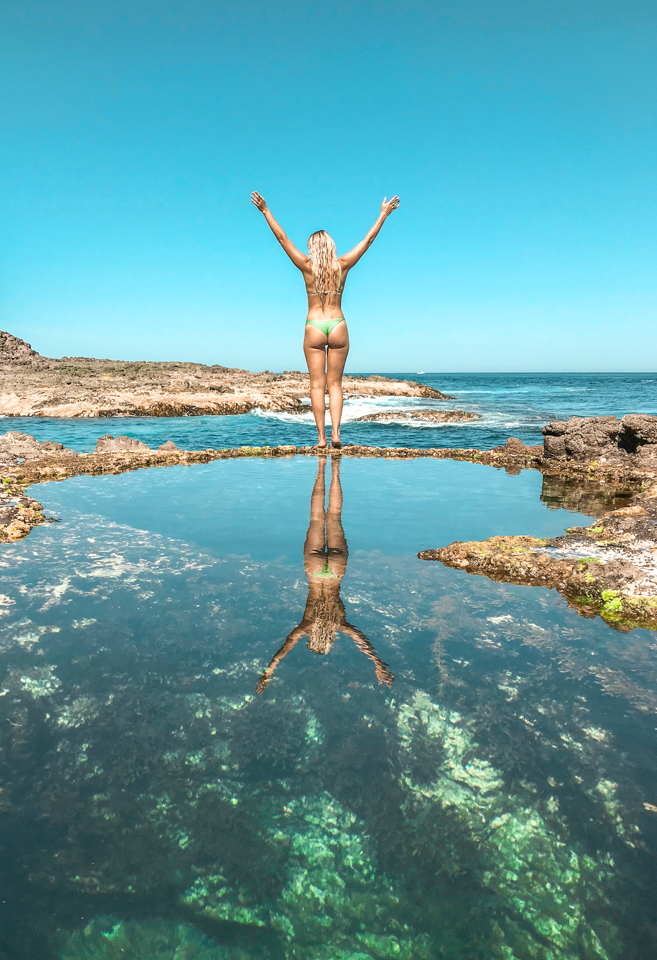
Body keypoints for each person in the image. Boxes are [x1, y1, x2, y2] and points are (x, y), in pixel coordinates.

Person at [251, 191, 400, 448]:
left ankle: (320, 438)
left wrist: (265, 211)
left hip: (314, 327)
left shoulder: (306, 266)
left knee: (317, 386)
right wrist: (383, 215)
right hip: (338, 324)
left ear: (312, 248)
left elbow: (282, 238)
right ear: (331, 246)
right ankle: (336, 435)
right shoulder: (342, 265)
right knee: (336, 385)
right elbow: (368, 241)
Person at [256, 456, 394, 693]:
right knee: (317, 516)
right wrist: (269, 672)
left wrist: (378, 664)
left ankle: (335, 469)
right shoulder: (307, 625)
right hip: (314, 569)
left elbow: (362, 641)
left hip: (336, 571)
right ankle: (322, 468)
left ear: (329, 638)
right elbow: (285, 648)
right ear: (312, 637)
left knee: (335, 515)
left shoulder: (340, 624)